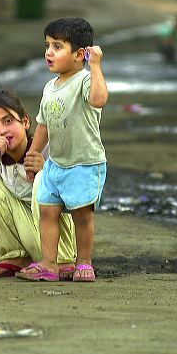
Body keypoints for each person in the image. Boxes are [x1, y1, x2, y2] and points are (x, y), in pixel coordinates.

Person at [16, 17, 108, 283]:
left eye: (57, 46)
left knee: (82, 215)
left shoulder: (85, 81)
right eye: (47, 45)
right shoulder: (49, 88)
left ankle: (84, 263)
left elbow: (100, 99)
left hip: (84, 163)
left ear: (80, 54)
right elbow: (43, 126)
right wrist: (32, 156)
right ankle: (49, 263)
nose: (48, 52)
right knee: (47, 211)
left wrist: (96, 65)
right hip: (56, 165)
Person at [0, 89, 76, 279]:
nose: (2, 130)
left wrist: (47, 171)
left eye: (8, 121)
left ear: (25, 121)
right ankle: (16, 258)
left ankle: (62, 263)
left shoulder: (49, 149)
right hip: (31, 240)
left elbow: (76, 199)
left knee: (42, 180)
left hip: (59, 245)